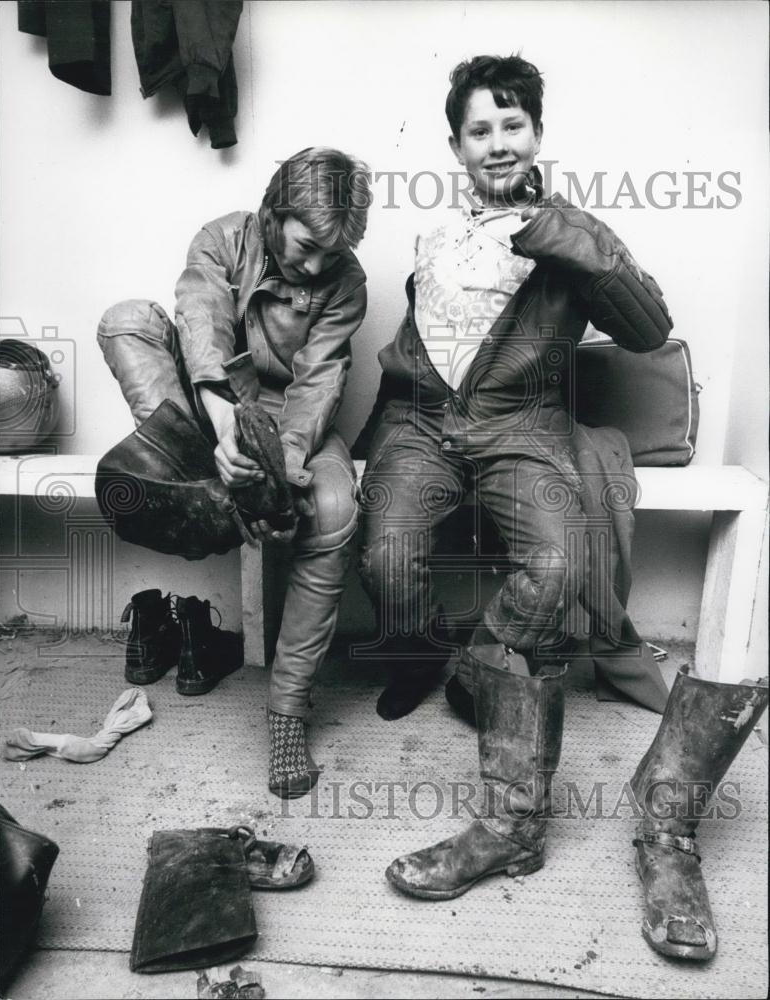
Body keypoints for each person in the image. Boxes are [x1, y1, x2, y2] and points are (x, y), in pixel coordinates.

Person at [357, 54, 768, 961]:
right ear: (455, 146)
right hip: (427, 423)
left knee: (555, 569)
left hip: (524, 423)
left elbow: (650, 329)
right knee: (382, 554)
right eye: (479, 130)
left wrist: (580, 242)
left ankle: (509, 815)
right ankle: (453, 658)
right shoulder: (433, 236)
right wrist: (382, 434)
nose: (496, 142)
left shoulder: (570, 229)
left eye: (512, 126)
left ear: (535, 134)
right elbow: (418, 343)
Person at [98, 146, 371, 799]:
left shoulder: (346, 281)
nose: (313, 266)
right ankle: (203, 479)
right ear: (275, 210)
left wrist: (285, 461)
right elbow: (202, 323)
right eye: (306, 246)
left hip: (283, 426)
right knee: (126, 321)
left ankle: (286, 711)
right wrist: (225, 428)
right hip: (205, 406)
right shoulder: (222, 238)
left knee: (335, 511)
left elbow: (320, 382)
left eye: (327, 256)